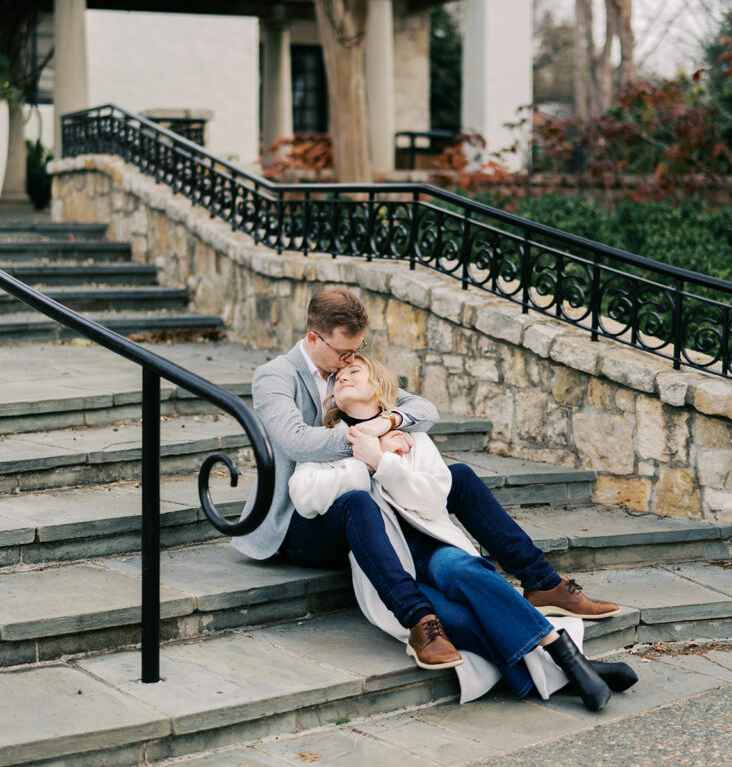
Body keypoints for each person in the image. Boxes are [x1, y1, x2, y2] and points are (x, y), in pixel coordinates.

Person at [233, 287, 619, 670]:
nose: (351, 359)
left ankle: (543, 582)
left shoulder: (347, 372)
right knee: (358, 502)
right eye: (342, 353)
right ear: (313, 337)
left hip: (372, 503)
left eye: (357, 350)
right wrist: (367, 441)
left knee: (461, 477)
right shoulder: (275, 376)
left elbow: (423, 408)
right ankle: (419, 622)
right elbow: (295, 441)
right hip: (299, 520)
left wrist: (386, 420)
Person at [288, 355, 638, 710]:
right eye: (338, 377)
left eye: (354, 372)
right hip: (393, 567)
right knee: (458, 619)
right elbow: (304, 497)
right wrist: (361, 459)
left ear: (378, 388)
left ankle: (561, 656)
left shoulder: (412, 438)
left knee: (463, 570)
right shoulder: (325, 440)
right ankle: (571, 666)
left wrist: (384, 462)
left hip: (435, 546)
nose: (342, 378)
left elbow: (433, 498)